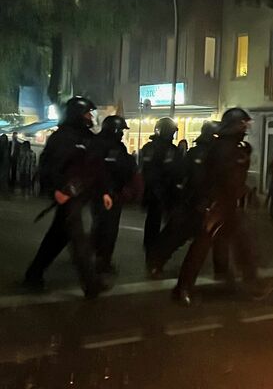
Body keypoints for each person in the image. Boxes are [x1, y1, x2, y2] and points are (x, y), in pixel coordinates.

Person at [173, 108, 265, 305]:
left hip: (228, 204)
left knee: (243, 243)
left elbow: (235, 178)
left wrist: (245, 192)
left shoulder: (233, 146)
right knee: (201, 247)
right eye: (243, 124)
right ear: (235, 125)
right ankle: (183, 289)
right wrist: (211, 202)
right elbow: (219, 178)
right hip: (216, 205)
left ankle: (251, 283)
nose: (246, 127)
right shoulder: (222, 148)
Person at [23, 96, 111, 298]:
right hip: (67, 196)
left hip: (81, 195)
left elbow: (97, 167)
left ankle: (34, 274)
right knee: (79, 240)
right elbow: (48, 167)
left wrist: (104, 190)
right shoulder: (62, 138)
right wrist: (56, 190)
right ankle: (91, 284)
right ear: (77, 114)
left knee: (57, 237)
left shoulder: (88, 138)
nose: (91, 117)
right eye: (87, 113)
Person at [146, 121, 230, 280]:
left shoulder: (202, 153)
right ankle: (160, 265)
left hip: (202, 203)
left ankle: (220, 270)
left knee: (213, 237)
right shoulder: (202, 154)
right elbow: (191, 178)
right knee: (180, 235)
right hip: (196, 204)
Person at [89, 116, 136, 275]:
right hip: (107, 193)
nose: (122, 134)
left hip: (109, 192)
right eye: (121, 130)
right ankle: (102, 260)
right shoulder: (104, 145)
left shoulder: (109, 145)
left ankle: (98, 257)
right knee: (107, 229)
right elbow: (102, 169)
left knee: (103, 226)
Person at [140, 117, 180, 254]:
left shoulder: (150, 147)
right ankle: (155, 251)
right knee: (158, 222)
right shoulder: (164, 149)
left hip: (159, 190)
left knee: (157, 221)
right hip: (161, 191)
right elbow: (150, 171)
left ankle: (153, 248)